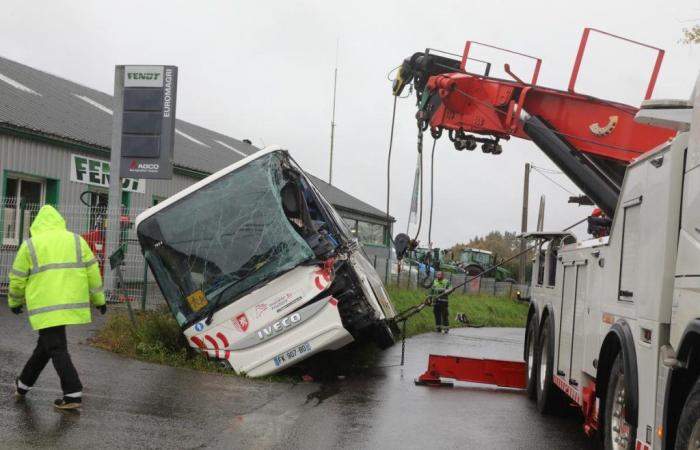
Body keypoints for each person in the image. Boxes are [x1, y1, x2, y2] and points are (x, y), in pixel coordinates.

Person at [7, 205, 106, 410]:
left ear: (37, 224)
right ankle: (23, 385)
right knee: (45, 347)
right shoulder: (77, 241)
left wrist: (14, 302)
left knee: (55, 347)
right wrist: (99, 300)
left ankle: (72, 394)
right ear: (59, 221)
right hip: (69, 303)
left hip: (45, 306)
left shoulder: (31, 245)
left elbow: (17, 278)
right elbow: (92, 271)